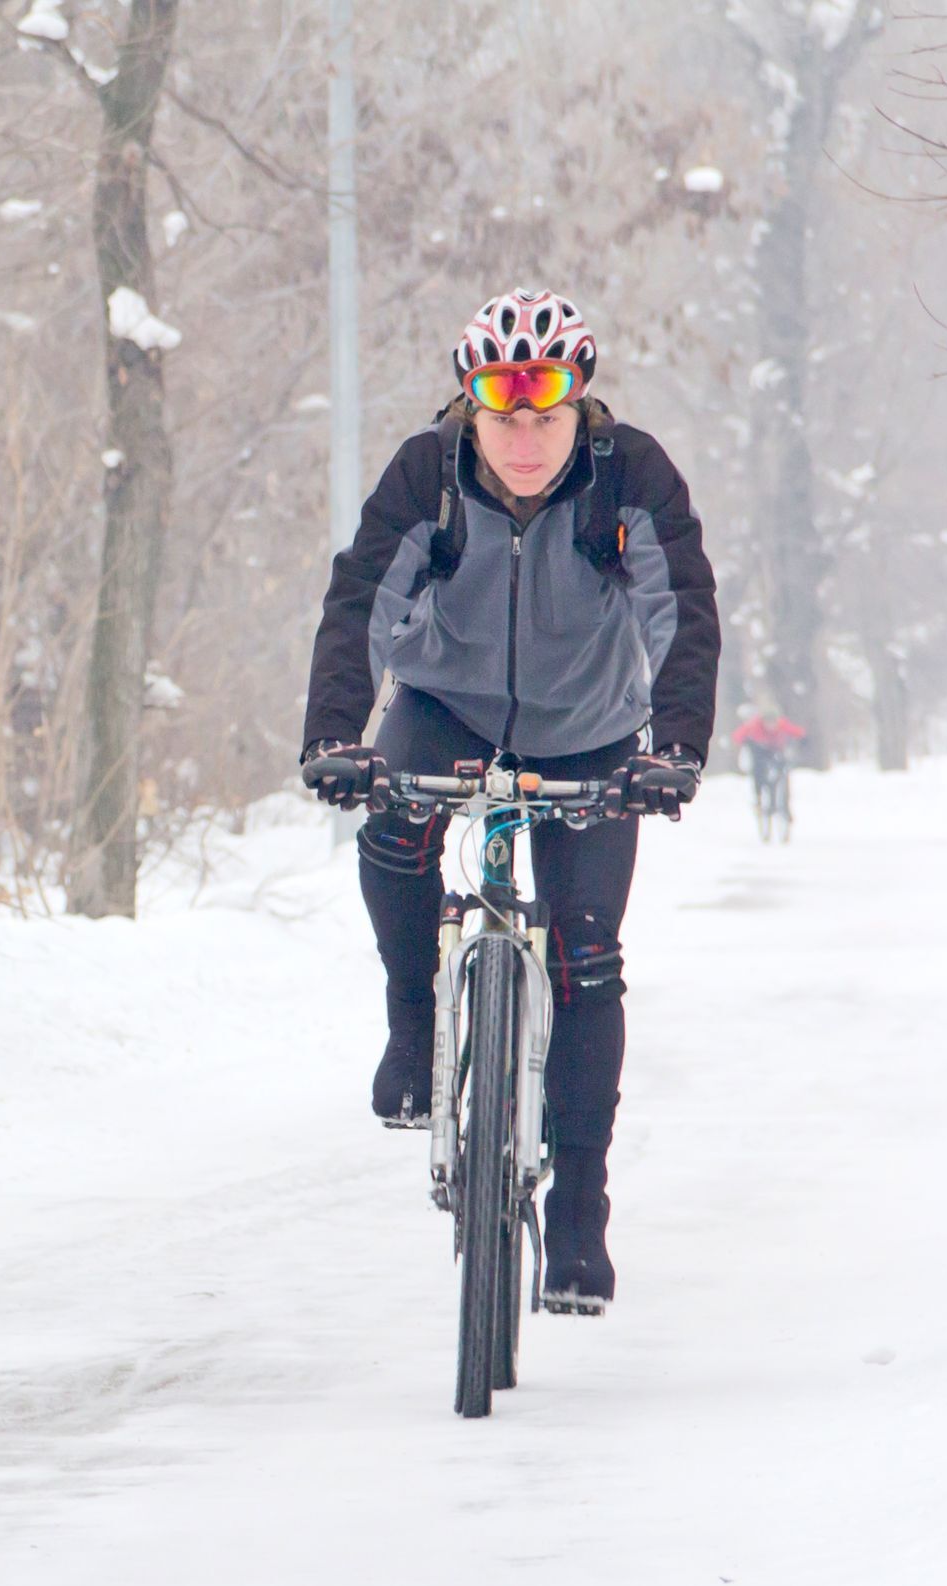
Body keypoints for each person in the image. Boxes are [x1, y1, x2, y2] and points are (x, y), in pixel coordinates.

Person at [298, 288, 719, 1312]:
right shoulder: (427, 477)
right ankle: (414, 1019)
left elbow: (683, 605)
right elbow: (361, 597)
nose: (524, 441)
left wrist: (671, 750)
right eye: (503, 417)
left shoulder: (630, 478)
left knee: (586, 951)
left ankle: (578, 1206)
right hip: (445, 705)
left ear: (580, 408)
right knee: (394, 825)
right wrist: (335, 734)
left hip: (592, 728)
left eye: (546, 417)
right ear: (471, 412)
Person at [732, 707, 804, 840]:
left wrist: (799, 739)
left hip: (777, 754)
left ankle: (784, 809)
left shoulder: (783, 725)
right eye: (768, 723)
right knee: (758, 775)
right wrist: (746, 741)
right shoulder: (754, 726)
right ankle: (759, 801)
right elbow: (738, 736)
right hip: (760, 755)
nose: (771, 726)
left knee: (783, 777)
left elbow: (798, 732)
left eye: (774, 723)